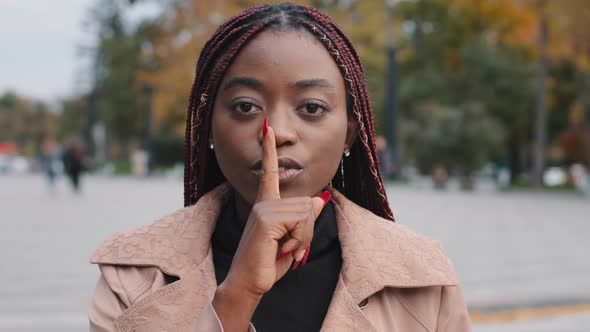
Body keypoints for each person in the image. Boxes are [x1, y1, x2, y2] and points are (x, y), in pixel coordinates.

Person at [89, 3, 471, 331]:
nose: (278, 132)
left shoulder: (423, 277)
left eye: (311, 108)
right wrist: (237, 295)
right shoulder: (134, 275)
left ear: (349, 136)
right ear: (207, 128)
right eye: (245, 107)